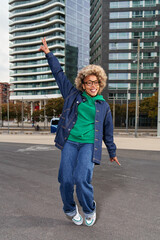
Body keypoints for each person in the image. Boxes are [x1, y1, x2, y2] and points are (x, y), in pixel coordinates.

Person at [39, 37, 120, 227]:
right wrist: (49, 54)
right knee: (66, 179)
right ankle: (69, 208)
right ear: (82, 85)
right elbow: (58, 74)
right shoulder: (72, 95)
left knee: (81, 178)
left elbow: (108, 131)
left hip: (89, 144)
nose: (93, 86)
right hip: (70, 141)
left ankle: (89, 208)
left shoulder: (103, 106)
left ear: (100, 84)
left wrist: (112, 152)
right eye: (89, 82)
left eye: (96, 82)